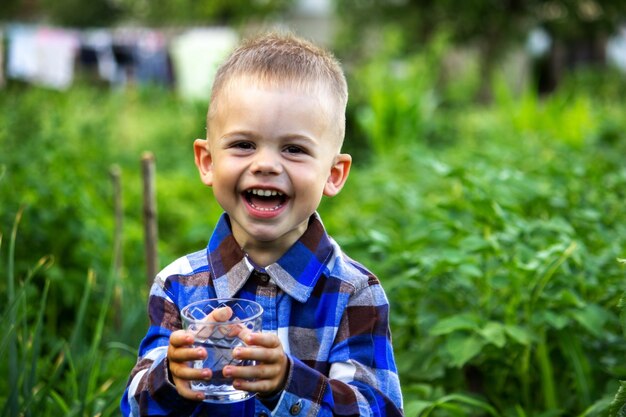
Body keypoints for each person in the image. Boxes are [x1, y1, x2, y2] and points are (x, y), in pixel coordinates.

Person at [120, 31, 404, 417]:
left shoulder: (352, 294)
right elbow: (135, 406)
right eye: (243, 145)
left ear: (334, 173)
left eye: (294, 149)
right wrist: (172, 377)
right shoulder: (179, 287)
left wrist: (291, 382)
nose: (266, 164)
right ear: (207, 161)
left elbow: (379, 409)